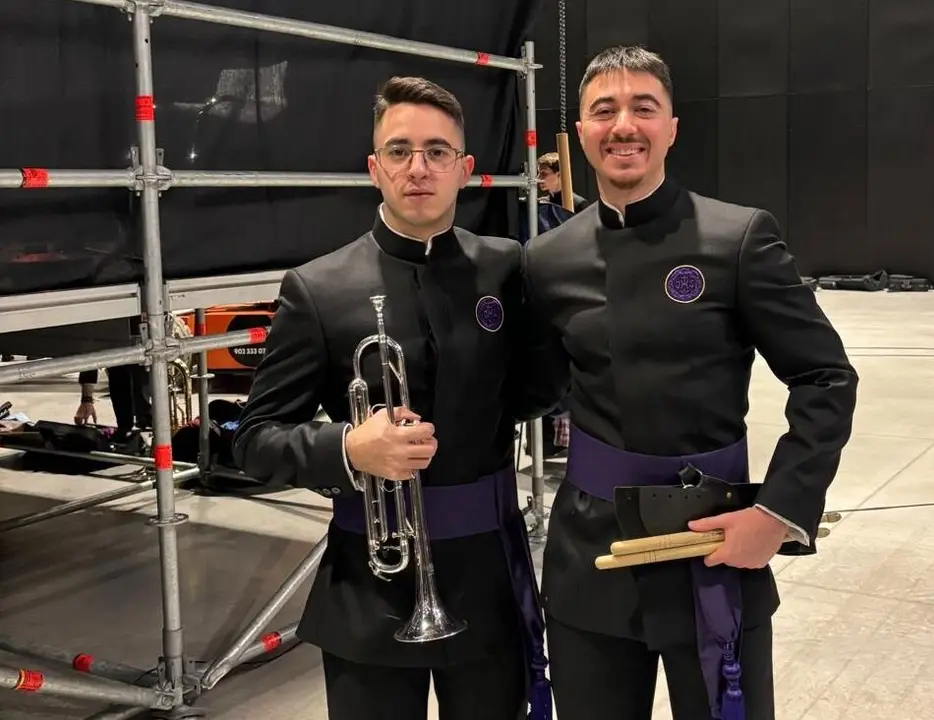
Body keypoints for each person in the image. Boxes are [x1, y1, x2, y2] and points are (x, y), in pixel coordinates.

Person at [521, 46, 859, 720]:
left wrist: (779, 513)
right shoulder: (545, 260)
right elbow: (529, 387)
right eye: (604, 111)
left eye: (643, 108)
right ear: (582, 132)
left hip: (713, 544)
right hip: (592, 551)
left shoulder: (737, 239)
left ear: (672, 126)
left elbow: (825, 377)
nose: (624, 125)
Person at [232, 76, 551, 720]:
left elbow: (535, 388)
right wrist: (347, 446)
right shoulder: (316, 288)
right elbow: (254, 440)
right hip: (368, 593)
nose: (418, 168)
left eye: (437, 152)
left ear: (465, 170)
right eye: (400, 151)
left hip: (488, 576)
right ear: (374, 169)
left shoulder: (507, 267)